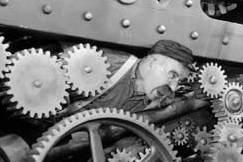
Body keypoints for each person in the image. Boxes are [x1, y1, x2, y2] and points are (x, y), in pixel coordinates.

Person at [62, 39, 194, 115]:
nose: (173, 87)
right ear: (151, 63)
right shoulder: (111, 63)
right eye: (172, 75)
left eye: (179, 81)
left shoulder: (159, 102)